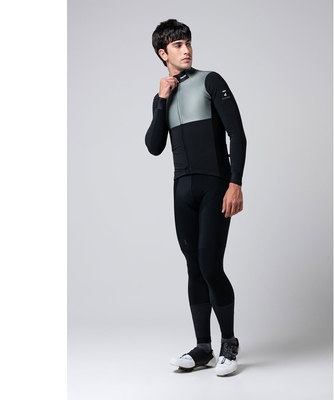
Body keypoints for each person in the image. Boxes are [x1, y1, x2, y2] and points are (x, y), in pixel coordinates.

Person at [145, 19, 246, 376]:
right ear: (163, 53)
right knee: (193, 267)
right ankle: (203, 348)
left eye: (188, 42)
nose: (186, 49)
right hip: (182, 189)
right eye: (178, 45)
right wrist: (162, 100)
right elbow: (154, 146)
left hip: (215, 185)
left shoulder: (210, 81)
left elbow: (237, 134)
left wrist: (235, 183)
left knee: (210, 265)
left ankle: (229, 343)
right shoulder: (164, 95)